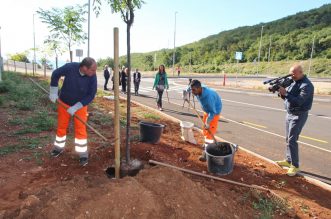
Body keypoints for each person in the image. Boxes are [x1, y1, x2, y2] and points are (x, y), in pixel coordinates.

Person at [48, 57, 97, 166]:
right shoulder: (70, 67)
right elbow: (55, 74)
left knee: (80, 128)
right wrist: (53, 91)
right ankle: (58, 148)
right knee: (62, 126)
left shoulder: (92, 77)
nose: (94, 72)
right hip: (63, 102)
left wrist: (77, 106)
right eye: (92, 70)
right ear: (84, 68)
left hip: (80, 106)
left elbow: (91, 95)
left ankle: (83, 154)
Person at [276, 64, 314, 176]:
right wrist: (282, 93)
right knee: (288, 138)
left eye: (294, 73)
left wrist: (286, 93)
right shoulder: (294, 82)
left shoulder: (306, 85)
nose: (292, 75)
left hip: (299, 115)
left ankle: (295, 166)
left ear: (301, 72)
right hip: (290, 113)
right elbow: (288, 98)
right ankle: (288, 161)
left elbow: (298, 101)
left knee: (292, 140)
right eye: (291, 73)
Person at [190, 79, 222, 162]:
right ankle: (207, 144)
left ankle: (206, 153)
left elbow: (213, 112)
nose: (192, 92)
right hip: (207, 111)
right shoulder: (197, 88)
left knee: (209, 133)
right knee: (205, 129)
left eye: (194, 90)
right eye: (191, 90)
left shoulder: (209, 97)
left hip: (213, 113)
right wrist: (185, 93)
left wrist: (208, 122)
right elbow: (189, 87)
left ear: (199, 88)